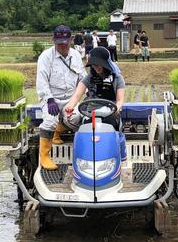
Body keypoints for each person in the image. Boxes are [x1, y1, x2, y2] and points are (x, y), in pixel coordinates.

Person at [36, 25, 87, 170]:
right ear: (53, 41)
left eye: (65, 43)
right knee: (50, 120)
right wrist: (49, 99)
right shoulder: (46, 57)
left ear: (70, 40)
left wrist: (88, 90)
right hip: (51, 98)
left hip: (70, 98)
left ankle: (59, 130)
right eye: (59, 43)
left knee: (76, 118)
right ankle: (45, 156)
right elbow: (42, 81)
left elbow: (82, 77)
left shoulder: (76, 55)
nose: (62, 46)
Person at [65, 46, 125, 131]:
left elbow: (120, 100)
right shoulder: (89, 78)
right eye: (94, 65)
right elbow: (77, 95)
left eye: (98, 64)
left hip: (110, 112)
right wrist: (70, 106)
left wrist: (117, 108)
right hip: (90, 113)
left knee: (113, 126)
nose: (96, 67)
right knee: (85, 128)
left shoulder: (117, 78)